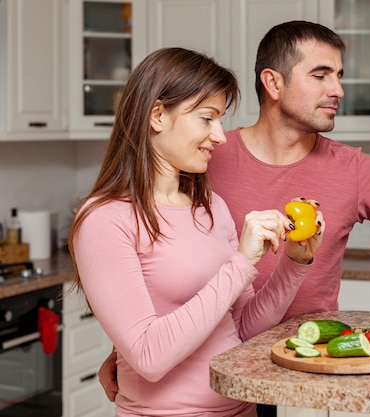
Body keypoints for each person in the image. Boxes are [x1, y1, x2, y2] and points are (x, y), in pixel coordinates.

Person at [97, 21, 370, 415]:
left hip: (311, 372)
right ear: (273, 83)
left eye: (339, 76)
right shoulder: (204, 154)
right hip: (224, 375)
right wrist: (133, 350)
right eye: (321, 74)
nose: (339, 89)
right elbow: (151, 259)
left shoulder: (355, 169)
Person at [68, 47, 324, 417]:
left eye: (220, 119)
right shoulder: (105, 219)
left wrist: (295, 262)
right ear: (157, 115)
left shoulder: (210, 207)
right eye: (207, 118)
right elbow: (149, 355)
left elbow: (243, 330)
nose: (219, 135)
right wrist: (240, 263)